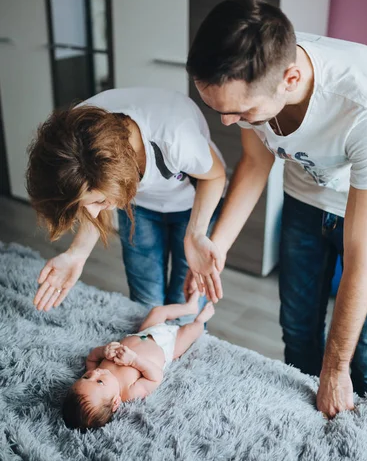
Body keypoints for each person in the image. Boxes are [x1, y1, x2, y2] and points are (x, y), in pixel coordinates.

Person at [184, 0, 367, 418]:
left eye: (242, 111)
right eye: (220, 111)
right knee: (298, 333)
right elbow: (256, 160)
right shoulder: (249, 79)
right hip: (304, 202)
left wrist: (335, 369)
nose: (229, 122)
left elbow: (362, 252)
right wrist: (216, 246)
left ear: (291, 78)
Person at [26, 87, 225, 322]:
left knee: (185, 307)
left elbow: (215, 176)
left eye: (100, 201)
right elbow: (92, 196)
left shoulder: (175, 138)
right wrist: (77, 253)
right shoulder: (74, 137)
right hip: (139, 207)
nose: (90, 212)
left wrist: (195, 233)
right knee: (144, 305)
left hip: (192, 205)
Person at [62, 291, 215, 430]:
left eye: (86, 377)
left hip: (143, 333)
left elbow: (91, 358)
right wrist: (134, 360)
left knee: (157, 311)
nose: (94, 373)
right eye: (99, 382)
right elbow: (155, 377)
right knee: (191, 330)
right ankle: (200, 320)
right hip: (166, 346)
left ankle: (189, 307)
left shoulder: (96, 370)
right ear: (115, 402)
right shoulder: (129, 392)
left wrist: (103, 351)